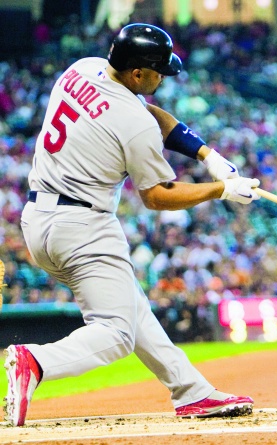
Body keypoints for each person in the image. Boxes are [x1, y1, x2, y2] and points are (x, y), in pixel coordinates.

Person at [4, 23, 261, 427]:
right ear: (137, 73)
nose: (164, 77)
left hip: (38, 219)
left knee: (131, 307)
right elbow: (157, 195)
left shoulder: (83, 68)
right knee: (116, 332)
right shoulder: (133, 123)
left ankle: (192, 391)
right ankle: (35, 361)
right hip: (83, 226)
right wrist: (221, 189)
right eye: (158, 71)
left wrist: (206, 154)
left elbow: (146, 112)